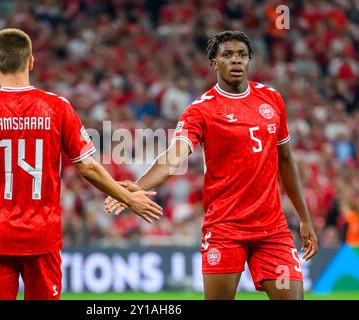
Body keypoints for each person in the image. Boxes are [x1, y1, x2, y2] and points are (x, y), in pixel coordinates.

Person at [106, 31, 318, 300]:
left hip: (272, 230)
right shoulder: (201, 110)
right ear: (214, 63)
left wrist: (305, 218)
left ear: (250, 60)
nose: (236, 60)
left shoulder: (272, 99)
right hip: (225, 229)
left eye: (242, 55)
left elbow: (286, 160)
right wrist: (133, 190)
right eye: (227, 55)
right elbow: (173, 159)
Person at [0, 28, 162, 300]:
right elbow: (88, 167)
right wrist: (128, 197)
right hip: (42, 237)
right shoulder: (57, 107)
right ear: (31, 61)